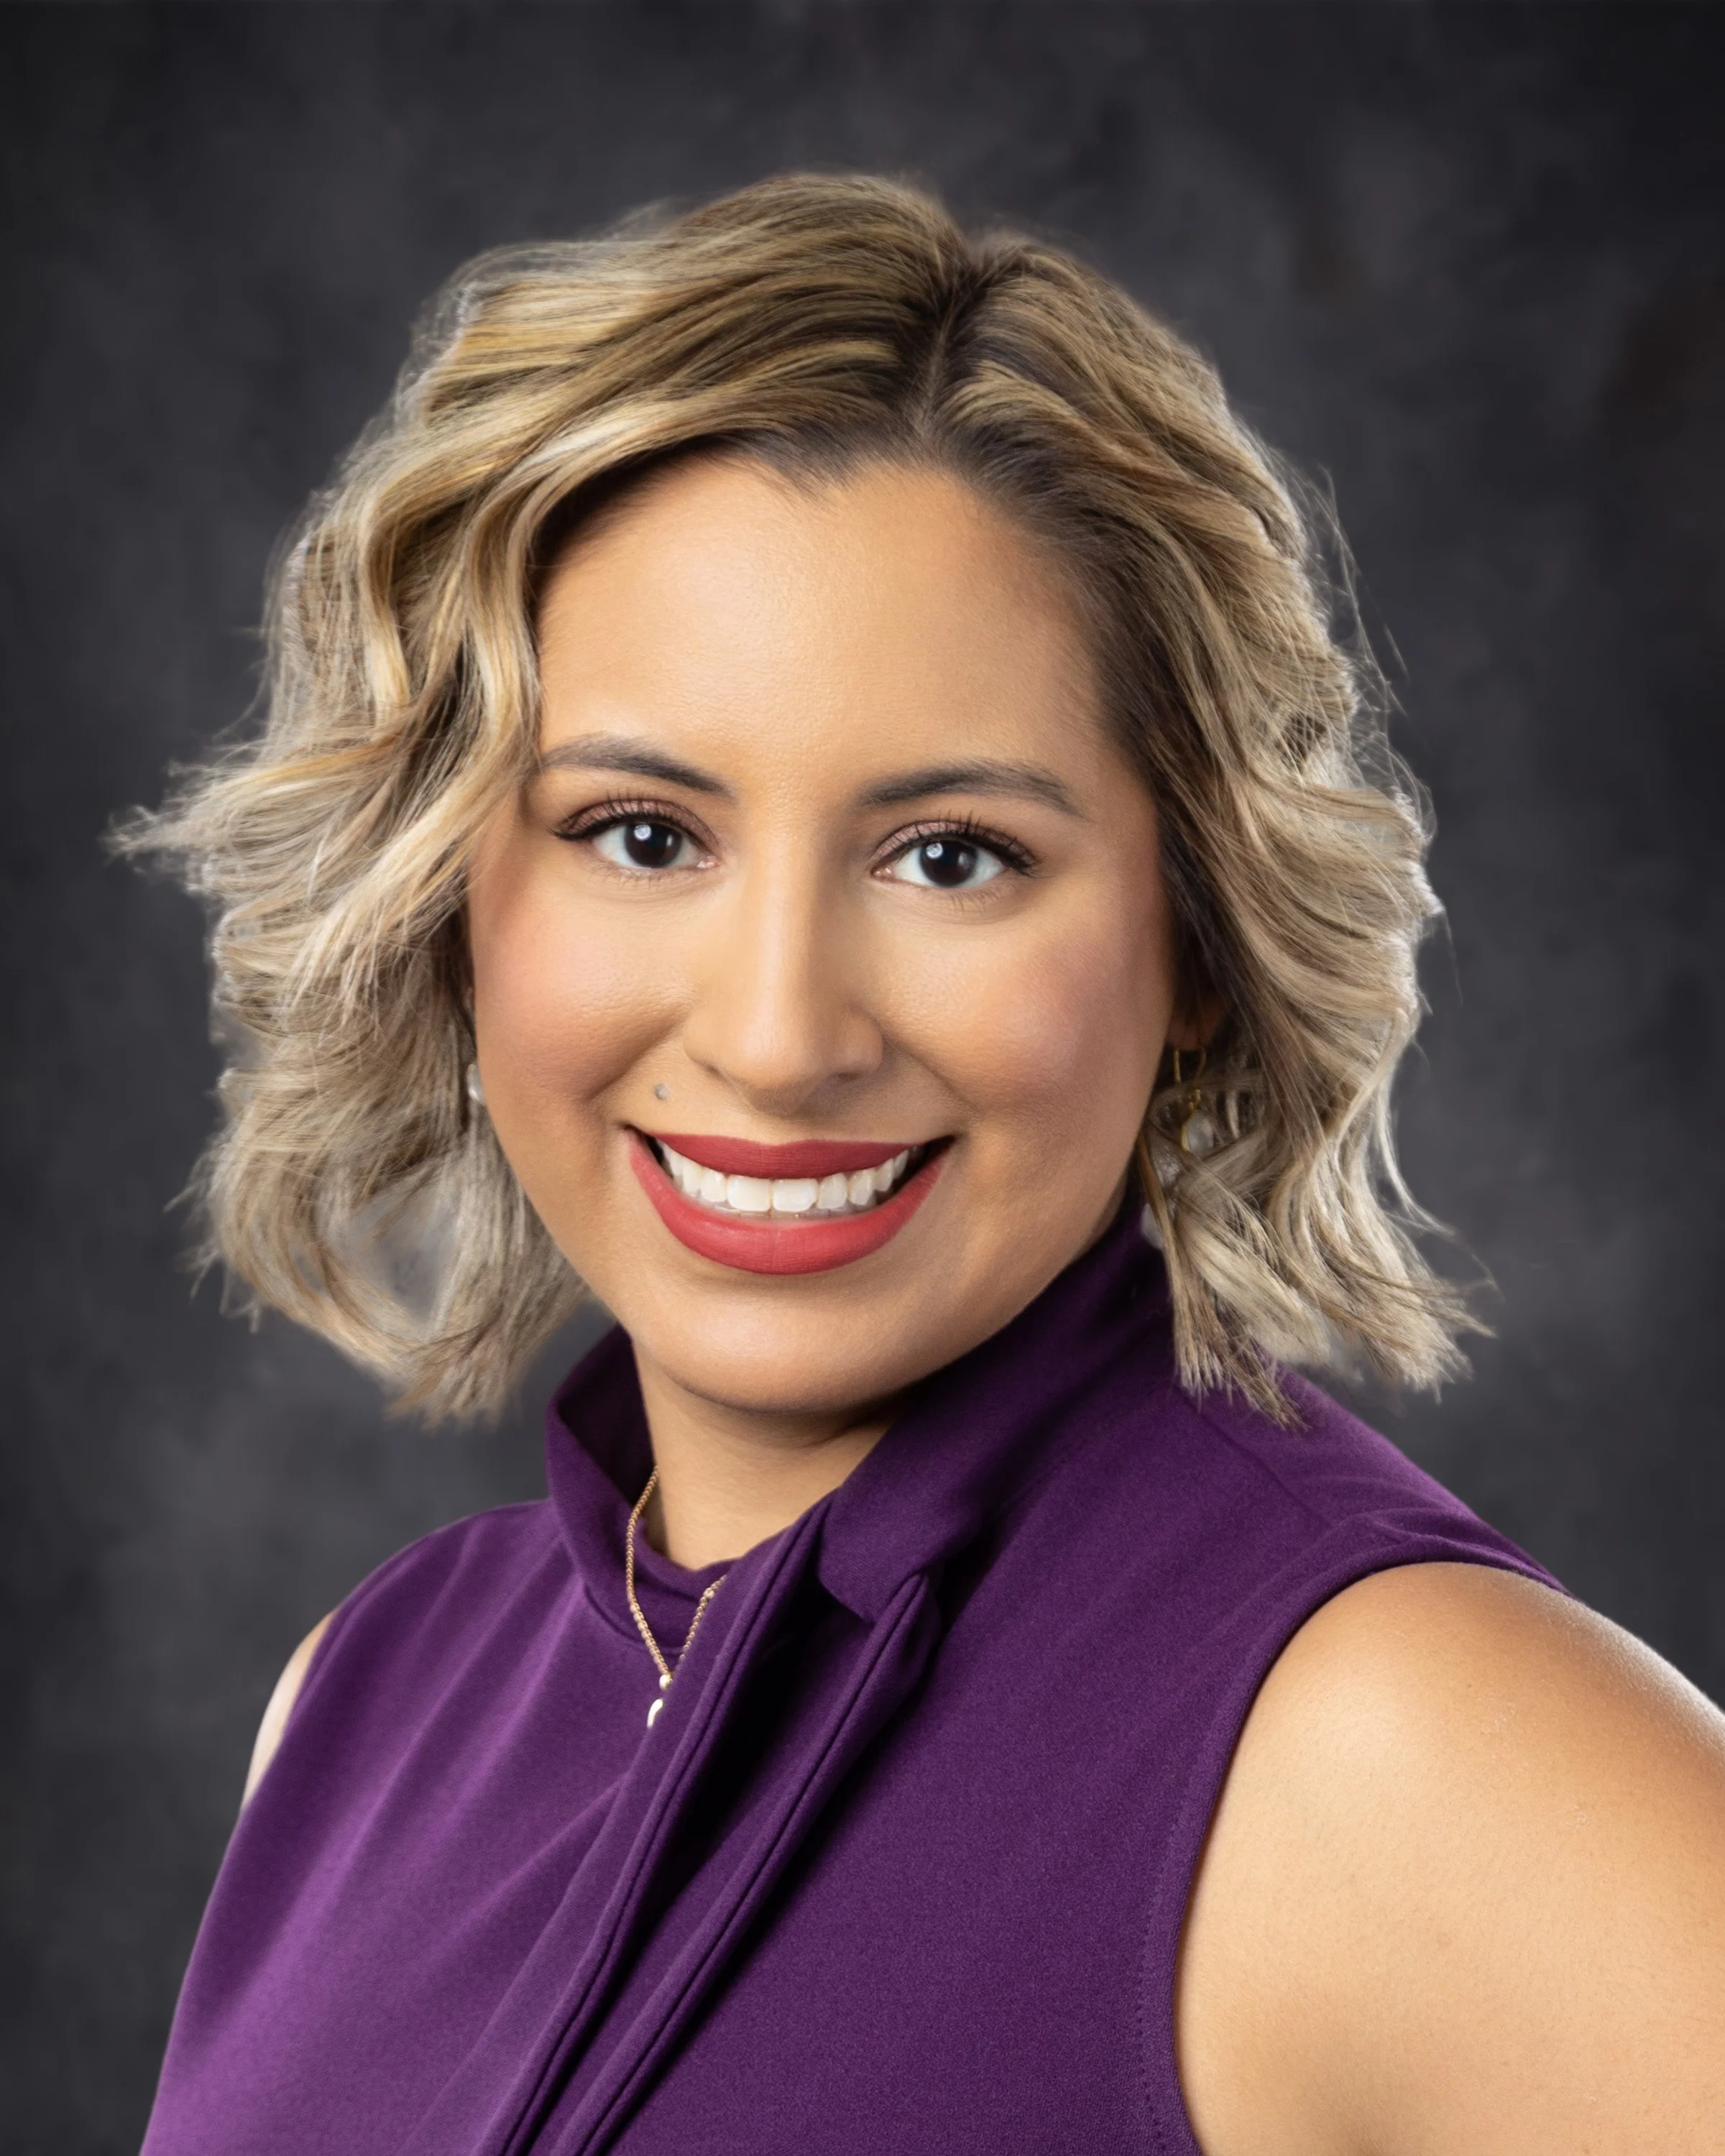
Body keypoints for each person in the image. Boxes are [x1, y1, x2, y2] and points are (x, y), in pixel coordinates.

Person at [129, 176, 1724, 2155]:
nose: (784, 1033)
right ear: (455, 897)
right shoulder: (361, 1710)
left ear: (1201, 944)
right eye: (641, 833)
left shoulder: (1407, 1746)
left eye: (953, 855)